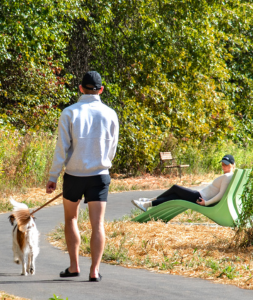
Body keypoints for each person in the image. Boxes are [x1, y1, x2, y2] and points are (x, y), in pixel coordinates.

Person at [46, 71, 119, 282]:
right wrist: (104, 162)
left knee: (71, 219)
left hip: (74, 174)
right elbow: (113, 147)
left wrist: (53, 176)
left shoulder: (69, 112)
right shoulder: (110, 114)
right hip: (100, 174)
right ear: (101, 90)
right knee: (98, 224)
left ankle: (74, 266)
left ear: (80, 88)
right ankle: (94, 271)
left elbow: (62, 148)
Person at [132, 154, 235, 211]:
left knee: (175, 188)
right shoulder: (229, 176)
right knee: (174, 196)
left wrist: (206, 203)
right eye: (222, 164)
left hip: (200, 198)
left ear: (233, 164)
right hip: (199, 196)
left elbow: (221, 195)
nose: (224, 166)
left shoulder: (227, 176)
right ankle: (147, 204)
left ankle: (149, 201)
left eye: (226, 164)